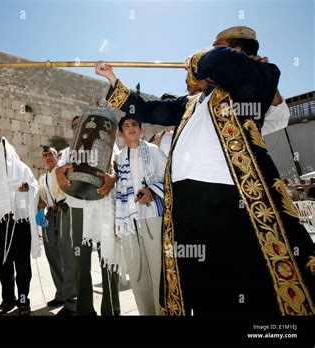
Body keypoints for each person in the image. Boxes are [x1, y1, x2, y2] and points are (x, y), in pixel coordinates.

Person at [95, 26, 314, 316]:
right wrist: (112, 78)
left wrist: (202, 57)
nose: (210, 53)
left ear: (237, 50)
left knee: (237, 276)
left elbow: (221, 63)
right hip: (185, 201)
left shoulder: (256, 78)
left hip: (228, 195)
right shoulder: (189, 103)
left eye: (217, 46)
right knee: (199, 279)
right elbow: (149, 110)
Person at [56, 116, 121, 316]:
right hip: (79, 209)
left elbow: (122, 172)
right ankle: (84, 309)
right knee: (80, 263)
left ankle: (111, 309)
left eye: (80, 125)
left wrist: (114, 178)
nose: (78, 128)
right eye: (75, 126)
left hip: (104, 209)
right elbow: (58, 178)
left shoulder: (112, 149)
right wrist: (58, 172)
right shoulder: (67, 153)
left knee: (108, 259)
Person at [0, 137, 40, 316]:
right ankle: (7, 299)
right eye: (1, 152)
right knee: (4, 264)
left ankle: (23, 300)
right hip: (1, 226)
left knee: (22, 265)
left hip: (20, 224)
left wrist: (27, 188)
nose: (4, 156)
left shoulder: (22, 169)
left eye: (7, 152)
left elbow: (34, 187)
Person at [116, 115, 167, 315]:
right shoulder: (120, 157)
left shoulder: (154, 152)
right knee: (137, 274)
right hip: (130, 222)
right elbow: (119, 190)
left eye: (134, 125)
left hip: (152, 218)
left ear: (141, 130)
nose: (131, 128)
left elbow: (169, 178)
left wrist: (152, 191)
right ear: (121, 134)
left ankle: (162, 311)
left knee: (158, 270)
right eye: (126, 126)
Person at [38, 146, 77, 315]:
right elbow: (42, 198)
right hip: (50, 215)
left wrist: (64, 204)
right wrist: (40, 210)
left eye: (51, 154)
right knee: (51, 253)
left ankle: (72, 301)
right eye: (45, 155)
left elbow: (72, 189)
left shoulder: (64, 170)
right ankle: (61, 293)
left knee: (66, 254)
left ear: (57, 156)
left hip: (65, 210)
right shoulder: (42, 178)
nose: (48, 157)